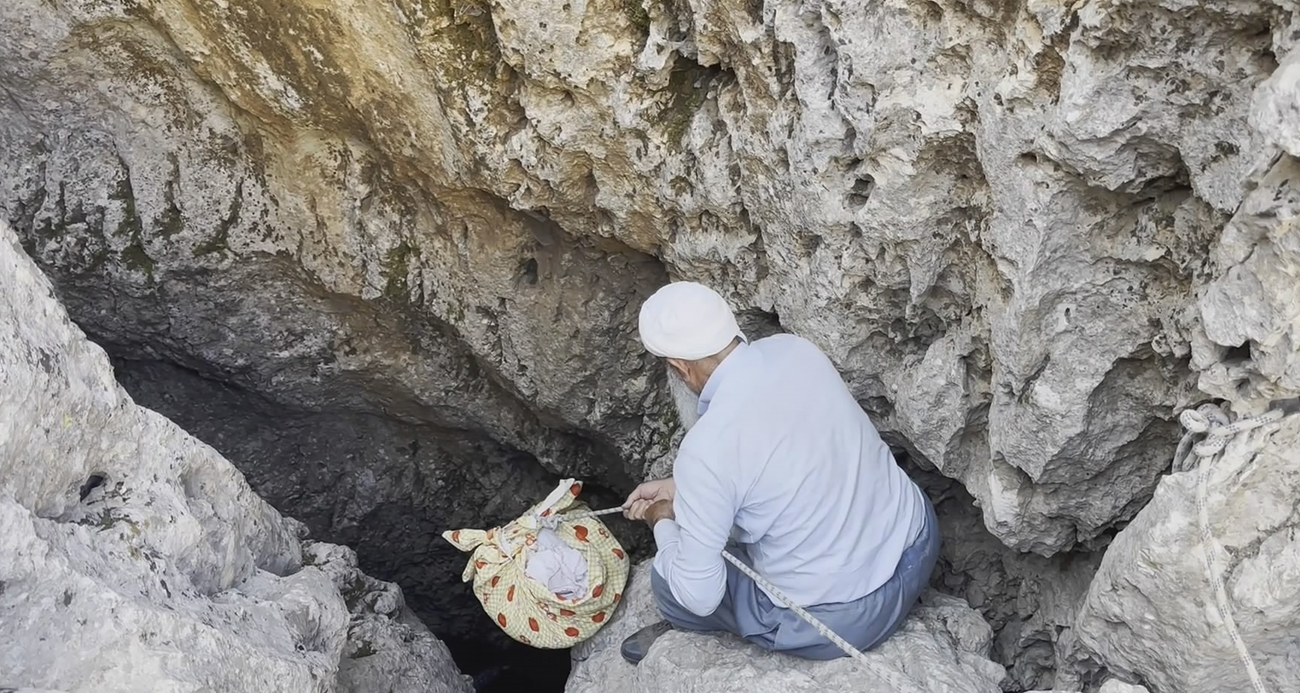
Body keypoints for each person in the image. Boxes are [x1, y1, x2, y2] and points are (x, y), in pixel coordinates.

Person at [619, 281, 939, 664]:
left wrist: (663, 519)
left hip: (848, 619)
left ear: (679, 367)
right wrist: (680, 487)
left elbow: (700, 596)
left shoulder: (708, 449)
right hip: (918, 544)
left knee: (670, 584)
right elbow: (789, 459)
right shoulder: (795, 350)